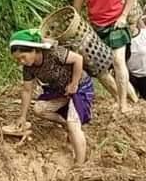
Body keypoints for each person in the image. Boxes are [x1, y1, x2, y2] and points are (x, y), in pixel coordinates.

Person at [70, 0, 135, 115]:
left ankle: (123, 105)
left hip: (117, 24)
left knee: (118, 61)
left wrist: (123, 16)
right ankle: (127, 99)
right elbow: (76, 11)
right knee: (101, 71)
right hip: (97, 28)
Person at [9, 29, 93, 165]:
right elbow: (27, 90)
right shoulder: (28, 69)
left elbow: (78, 59)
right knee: (39, 109)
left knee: (74, 126)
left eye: (23, 57)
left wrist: (74, 84)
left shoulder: (53, 53)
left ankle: (79, 165)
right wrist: (22, 117)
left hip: (79, 87)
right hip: (60, 91)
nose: (21, 62)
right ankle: (65, 124)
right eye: (18, 60)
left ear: (34, 50)